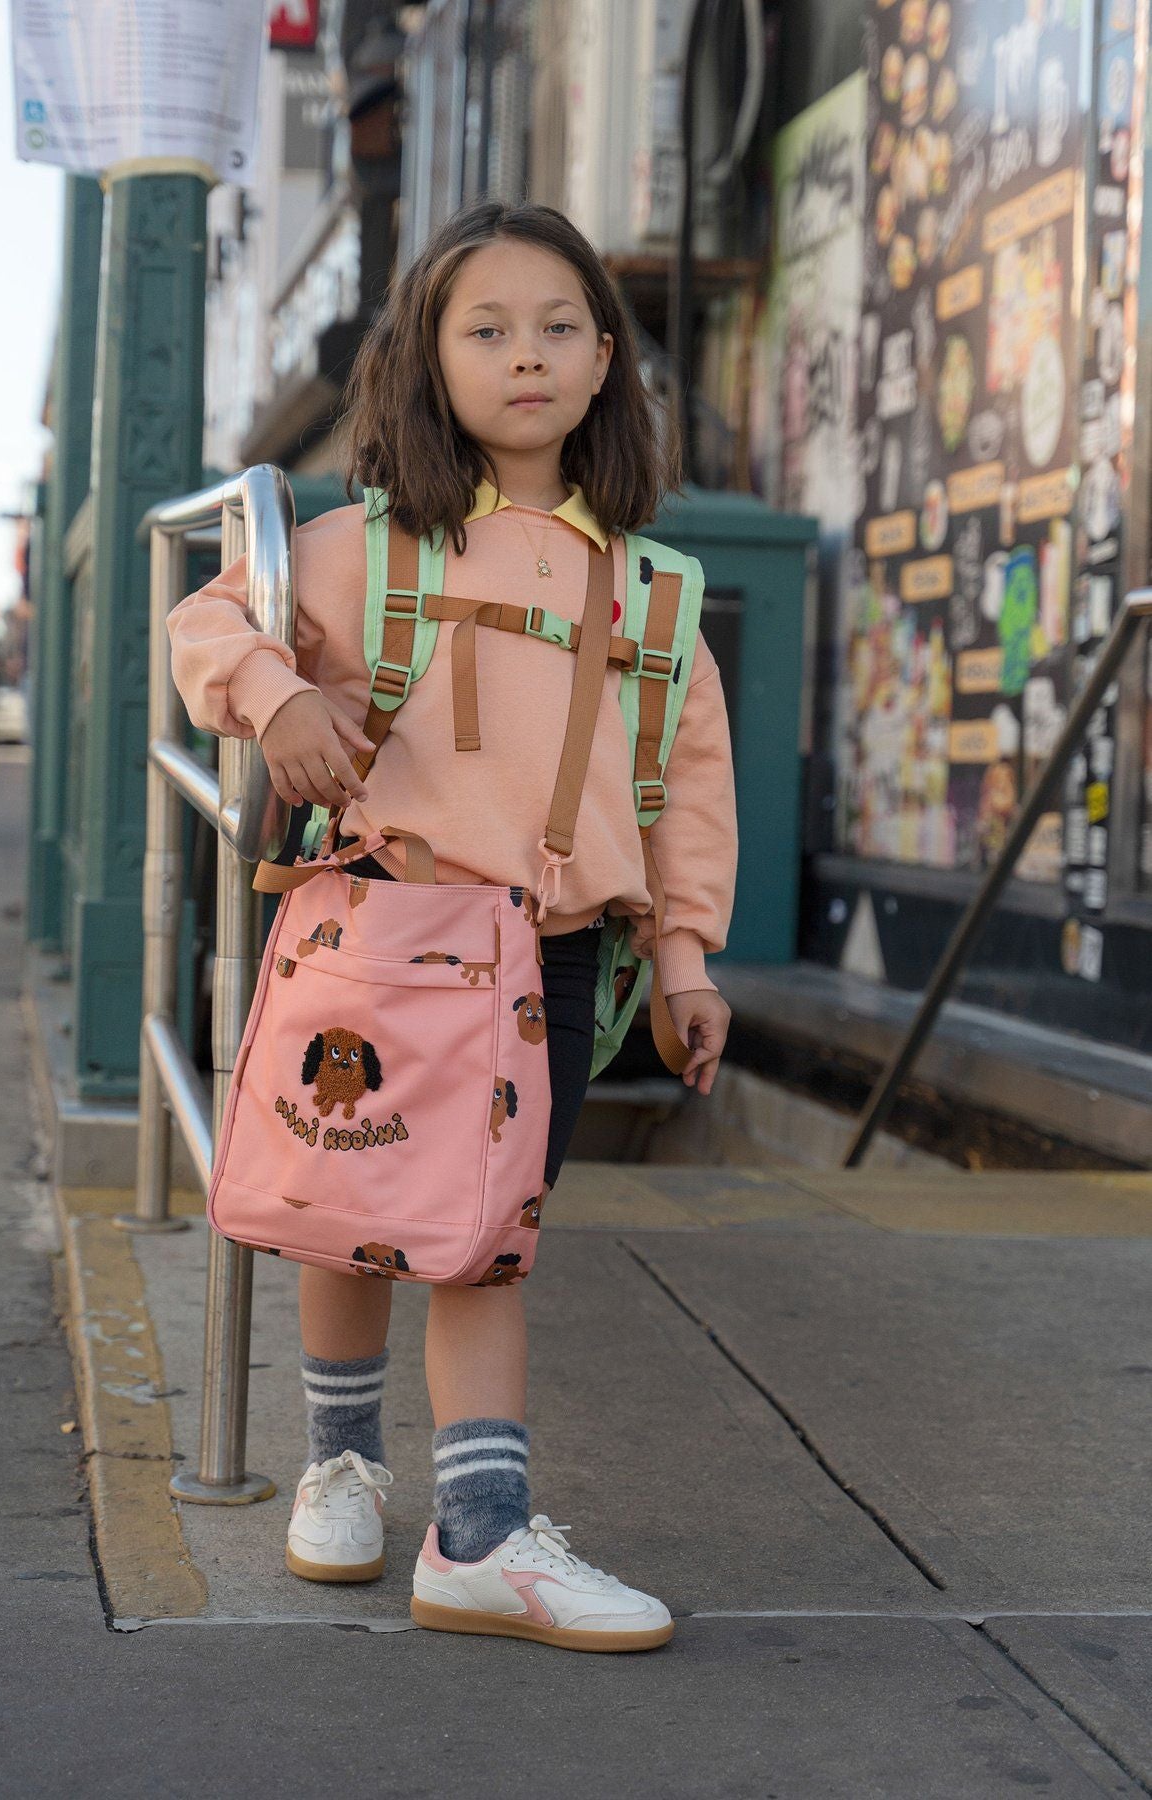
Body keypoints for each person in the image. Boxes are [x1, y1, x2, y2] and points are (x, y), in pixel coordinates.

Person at [167, 201, 738, 1651]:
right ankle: (350, 1470)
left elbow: (686, 788)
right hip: (384, 933)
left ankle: (473, 1532)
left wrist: (682, 958)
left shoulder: (656, 590)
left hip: (552, 962)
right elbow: (207, 626)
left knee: (487, 1237)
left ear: (607, 359)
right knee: (344, 1210)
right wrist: (281, 695)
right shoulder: (363, 546)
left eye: (557, 328)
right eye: (484, 330)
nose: (525, 357)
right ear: (427, 358)